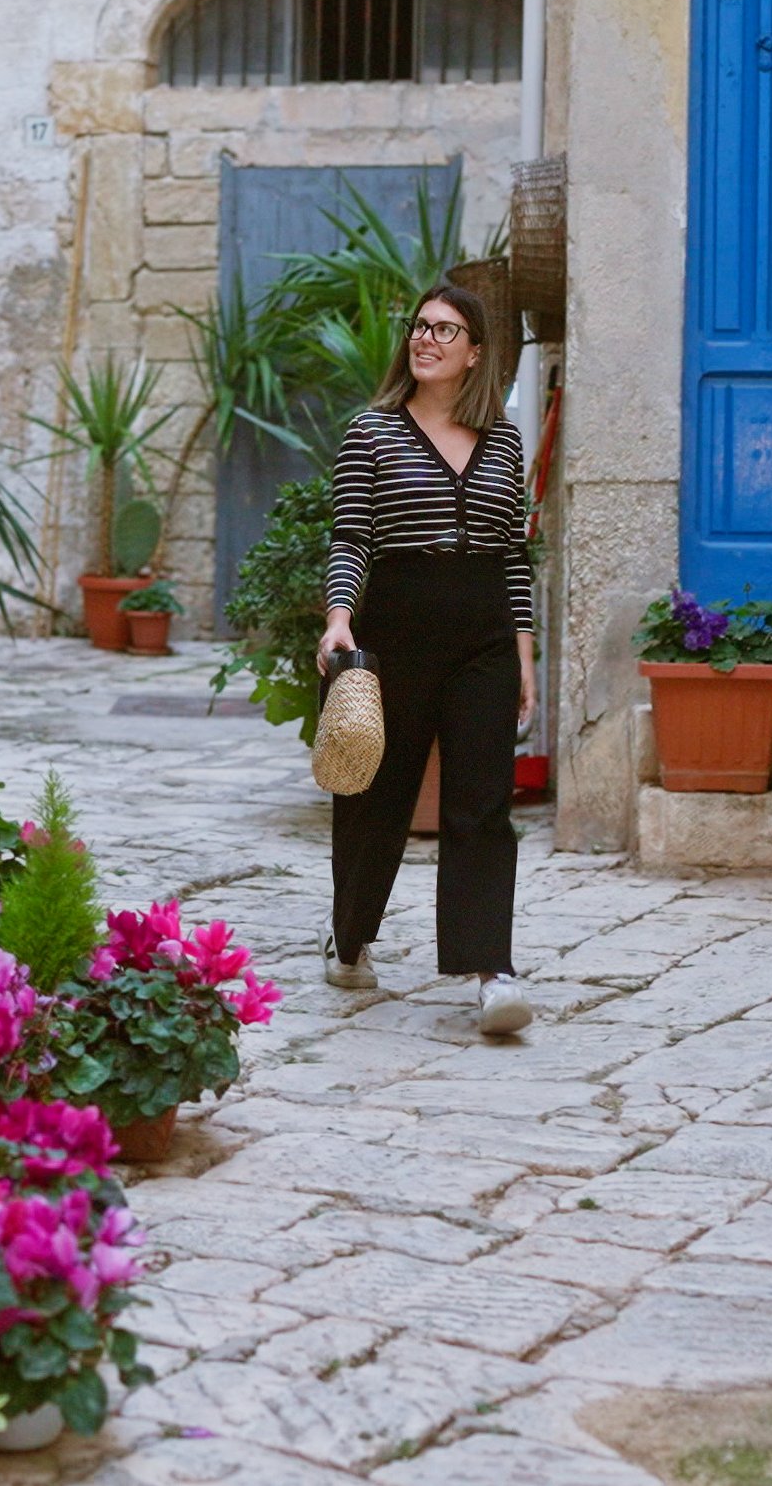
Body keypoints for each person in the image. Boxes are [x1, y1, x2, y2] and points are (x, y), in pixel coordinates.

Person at [317, 283, 538, 1035]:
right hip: (397, 626)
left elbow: (513, 555)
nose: (426, 338)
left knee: (483, 802)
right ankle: (349, 938)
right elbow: (350, 537)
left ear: (475, 352)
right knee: (374, 794)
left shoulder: (504, 440)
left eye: (445, 329)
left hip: (482, 632)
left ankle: (491, 971)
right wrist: (339, 619)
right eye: (419, 326)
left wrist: (523, 653)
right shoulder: (370, 432)